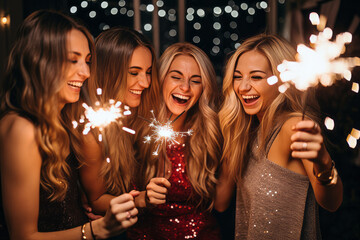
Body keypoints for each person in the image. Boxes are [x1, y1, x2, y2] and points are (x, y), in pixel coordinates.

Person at [0, 10, 138, 240]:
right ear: (40, 59)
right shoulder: (22, 129)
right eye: (73, 60)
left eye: (87, 61)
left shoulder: (62, 121)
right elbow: (23, 236)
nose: (85, 72)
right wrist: (98, 229)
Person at [215, 34, 343, 239]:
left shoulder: (292, 126)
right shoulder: (250, 130)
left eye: (256, 77)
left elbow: (331, 203)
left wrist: (323, 162)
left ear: (281, 79)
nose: (242, 87)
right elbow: (221, 202)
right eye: (238, 76)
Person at [127, 42, 222, 239]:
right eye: (176, 77)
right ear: (161, 80)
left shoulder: (210, 134)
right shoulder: (132, 129)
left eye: (195, 81)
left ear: (204, 88)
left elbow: (221, 203)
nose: (185, 87)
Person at [74, 26, 160, 218]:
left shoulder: (142, 113)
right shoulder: (91, 128)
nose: (145, 83)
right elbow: (96, 201)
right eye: (134, 72)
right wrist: (140, 199)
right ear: (108, 72)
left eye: (148, 72)